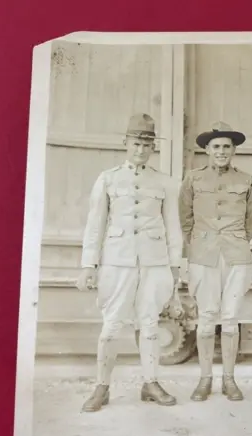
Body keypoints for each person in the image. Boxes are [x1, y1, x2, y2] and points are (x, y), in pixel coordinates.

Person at [76, 113, 182, 412]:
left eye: (147, 144)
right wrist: (88, 265)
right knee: (111, 327)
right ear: (126, 143)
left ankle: (150, 383)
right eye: (136, 143)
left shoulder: (165, 183)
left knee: (149, 326)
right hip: (117, 262)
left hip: (153, 263)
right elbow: (95, 225)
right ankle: (102, 387)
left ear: (153, 148)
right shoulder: (108, 178)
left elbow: (173, 228)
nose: (141, 150)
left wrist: (174, 270)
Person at [179, 122, 252, 402]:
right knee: (206, 318)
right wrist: (202, 244)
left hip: (236, 256)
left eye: (227, 146)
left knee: (230, 319)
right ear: (207, 150)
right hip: (204, 256)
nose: (222, 151)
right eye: (216, 147)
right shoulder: (192, 179)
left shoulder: (246, 180)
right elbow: (185, 219)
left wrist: (234, 240)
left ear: (234, 150)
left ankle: (229, 379)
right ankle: (204, 379)